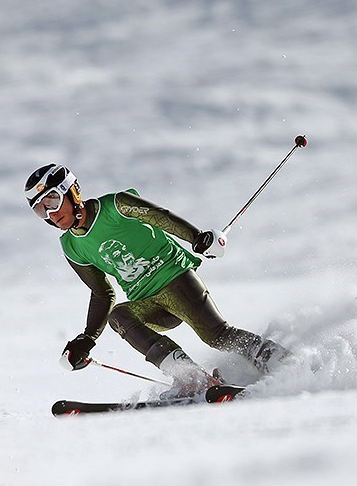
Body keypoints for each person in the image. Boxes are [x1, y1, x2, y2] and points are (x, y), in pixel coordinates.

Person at [24, 163, 290, 397]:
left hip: (176, 278)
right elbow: (102, 293)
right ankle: (191, 377)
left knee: (216, 335)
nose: (50, 213)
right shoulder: (71, 246)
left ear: (73, 192)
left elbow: (159, 217)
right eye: (40, 210)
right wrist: (87, 339)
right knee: (119, 316)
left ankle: (278, 359)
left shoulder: (116, 205)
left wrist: (196, 238)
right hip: (148, 302)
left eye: (52, 201)